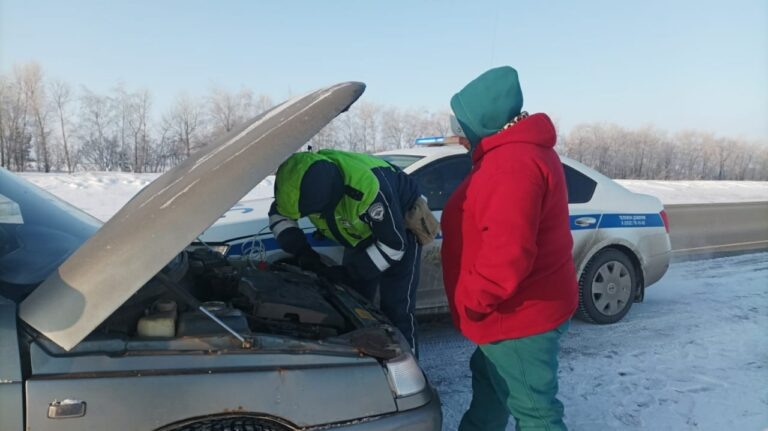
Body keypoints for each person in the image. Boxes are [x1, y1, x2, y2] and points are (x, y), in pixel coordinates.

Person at [441, 66, 578, 430]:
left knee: (536, 414)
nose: (458, 135)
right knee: (489, 389)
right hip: (511, 314)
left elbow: (507, 253)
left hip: (518, 317)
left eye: (461, 125)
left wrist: (473, 298)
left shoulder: (512, 164)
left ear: (482, 120)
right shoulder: (514, 155)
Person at [268, 149, 438, 354]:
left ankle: (409, 371)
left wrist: (350, 273)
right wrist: (304, 253)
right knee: (354, 305)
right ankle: (363, 363)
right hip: (359, 234)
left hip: (400, 229)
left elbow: (394, 246)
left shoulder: (367, 187)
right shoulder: (292, 187)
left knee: (396, 308)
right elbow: (280, 218)